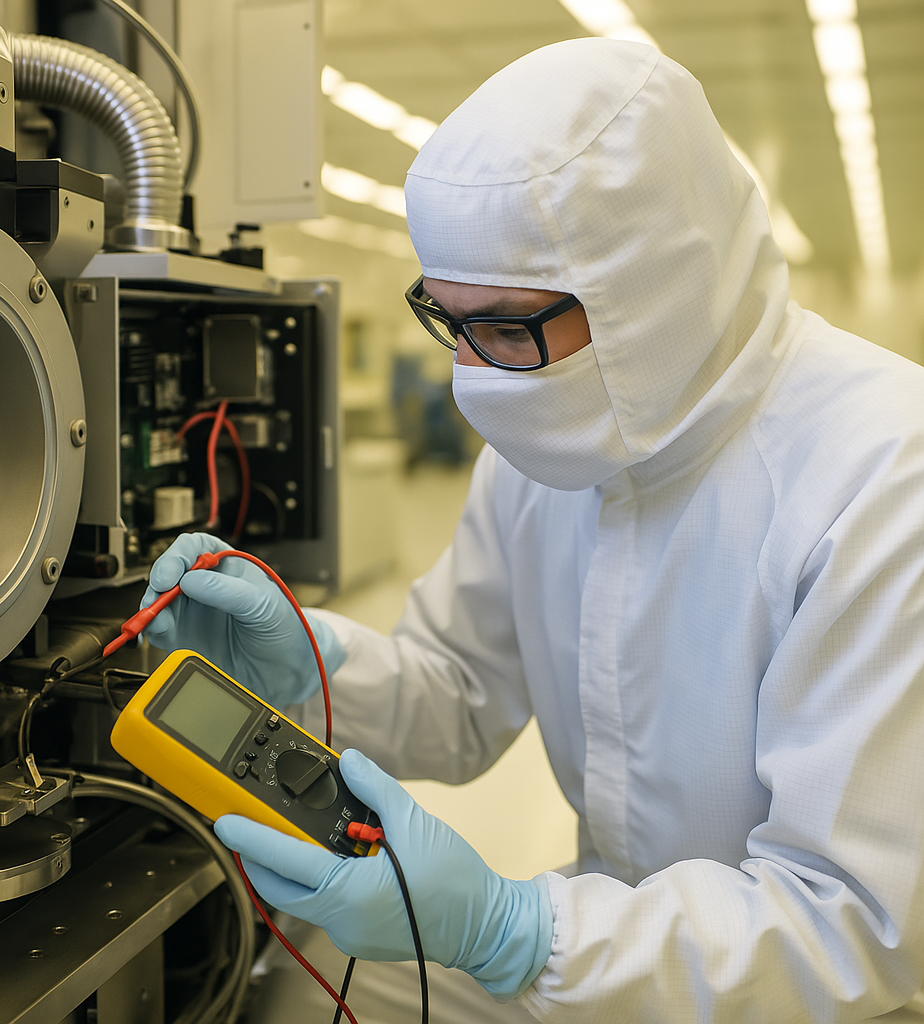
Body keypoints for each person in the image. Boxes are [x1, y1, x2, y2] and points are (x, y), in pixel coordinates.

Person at [140, 37, 924, 1023]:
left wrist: (514, 931)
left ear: (654, 290)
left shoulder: (884, 473)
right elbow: (460, 693)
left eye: (506, 327)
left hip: (798, 992)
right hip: (606, 948)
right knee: (283, 975)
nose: (474, 375)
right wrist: (306, 664)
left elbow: (849, 922)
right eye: (447, 318)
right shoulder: (546, 435)